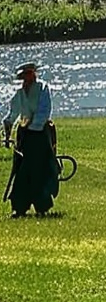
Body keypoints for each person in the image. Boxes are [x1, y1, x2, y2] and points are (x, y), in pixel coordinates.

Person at [5, 63, 59, 219]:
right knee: (22, 171)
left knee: (39, 170)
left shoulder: (43, 88)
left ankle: (42, 207)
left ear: (34, 74)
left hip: (40, 135)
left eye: (29, 74)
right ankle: (19, 207)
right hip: (24, 137)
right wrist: (8, 125)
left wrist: (33, 125)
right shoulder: (20, 94)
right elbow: (13, 112)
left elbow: (44, 110)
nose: (27, 78)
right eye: (25, 75)